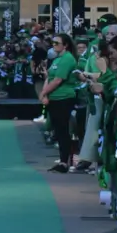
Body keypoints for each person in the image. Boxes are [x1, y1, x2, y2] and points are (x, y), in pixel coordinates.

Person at [40, 32, 84, 172]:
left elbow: (58, 80)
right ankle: (63, 160)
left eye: (57, 43)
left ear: (65, 45)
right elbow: (49, 76)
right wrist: (45, 94)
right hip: (54, 98)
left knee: (63, 129)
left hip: (64, 97)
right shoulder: (57, 59)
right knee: (58, 130)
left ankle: (65, 162)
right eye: (52, 43)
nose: (54, 45)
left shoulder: (68, 58)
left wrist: (43, 93)